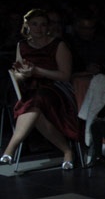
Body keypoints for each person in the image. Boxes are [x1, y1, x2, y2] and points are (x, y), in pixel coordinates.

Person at [1, 9, 79, 169]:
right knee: (35, 106)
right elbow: (19, 75)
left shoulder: (58, 44)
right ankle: (67, 151)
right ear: (27, 26)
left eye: (43, 24)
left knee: (36, 100)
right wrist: (23, 74)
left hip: (56, 89)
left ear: (48, 27)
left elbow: (65, 75)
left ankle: (10, 149)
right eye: (35, 24)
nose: (39, 28)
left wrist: (37, 71)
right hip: (32, 90)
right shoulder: (22, 45)